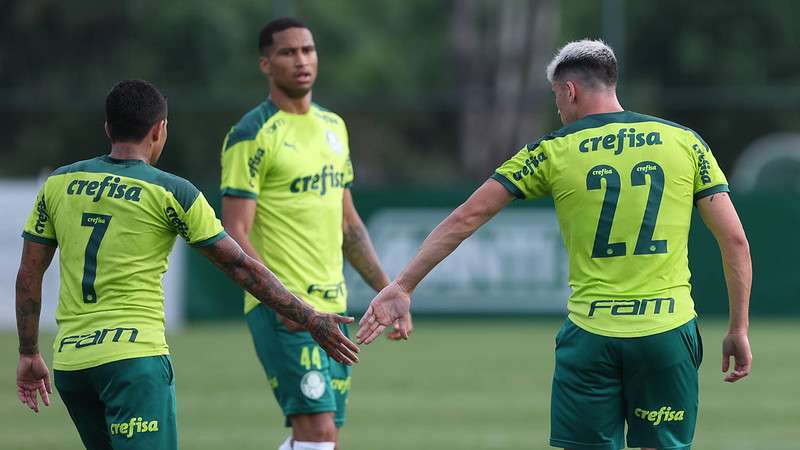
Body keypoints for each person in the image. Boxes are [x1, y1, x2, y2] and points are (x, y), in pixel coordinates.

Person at [358, 39, 752, 450]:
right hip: (667, 333)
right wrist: (738, 327)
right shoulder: (685, 142)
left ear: (570, 91)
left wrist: (403, 286)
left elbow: (466, 217)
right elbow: (735, 241)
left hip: (591, 336)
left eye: (556, 98)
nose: (559, 110)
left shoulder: (552, 150)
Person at [15, 79, 359, 450]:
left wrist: (29, 352)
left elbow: (29, 276)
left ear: (107, 128)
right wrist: (310, 316)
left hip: (72, 365)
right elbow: (241, 268)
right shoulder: (172, 191)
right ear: (159, 130)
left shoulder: (60, 182)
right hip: (134, 361)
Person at [219, 17, 401, 450]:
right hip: (284, 308)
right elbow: (235, 230)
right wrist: (281, 299)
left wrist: (388, 289)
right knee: (317, 432)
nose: (302, 60)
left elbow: (349, 224)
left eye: (308, 50)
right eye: (288, 52)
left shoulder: (333, 127)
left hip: (332, 306)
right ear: (266, 64)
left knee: (325, 438)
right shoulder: (251, 134)